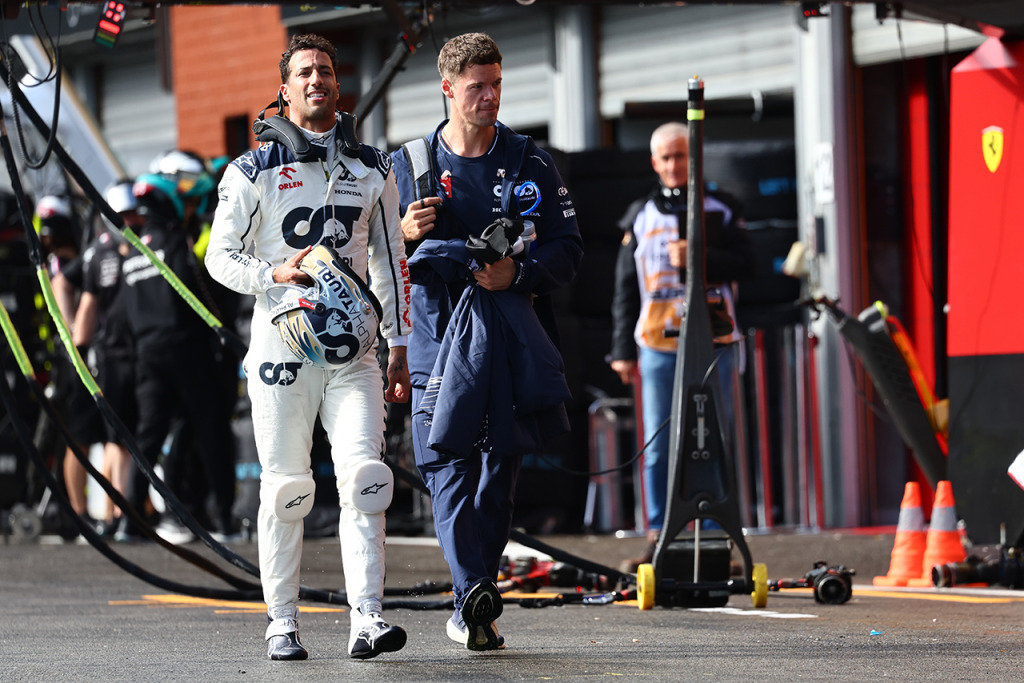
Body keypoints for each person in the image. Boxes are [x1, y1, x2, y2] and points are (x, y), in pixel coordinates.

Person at [205, 33, 411, 661]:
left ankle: (367, 619)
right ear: (285, 90)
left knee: (366, 478)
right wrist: (273, 273)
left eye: (325, 70)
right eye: (304, 72)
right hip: (281, 348)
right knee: (287, 489)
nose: (316, 78)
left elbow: (391, 260)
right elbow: (219, 257)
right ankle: (282, 622)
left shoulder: (373, 167)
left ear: (338, 85)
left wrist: (400, 344)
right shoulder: (251, 170)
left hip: (356, 354)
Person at [390, 32, 583, 652]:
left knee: (498, 475)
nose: (490, 96)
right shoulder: (408, 163)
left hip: (509, 343)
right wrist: (400, 232)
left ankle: (475, 597)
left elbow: (569, 249)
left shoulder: (530, 161)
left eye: (497, 84)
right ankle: (473, 592)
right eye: (478, 87)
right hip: (434, 343)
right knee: (446, 463)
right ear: (447, 88)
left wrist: (517, 273)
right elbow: (370, 257)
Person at [609, 122, 753, 571]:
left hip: (715, 342)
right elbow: (625, 287)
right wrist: (621, 350)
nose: (674, 165)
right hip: (657, 343)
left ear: (696, 158)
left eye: (682, 155)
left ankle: (715, 538)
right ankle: (660, 536)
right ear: (655, 162)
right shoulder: (640, 215)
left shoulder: (722, 207)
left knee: (713, 439)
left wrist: (700, 257)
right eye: (666, 157)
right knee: (657, 444)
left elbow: (749, 265)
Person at [116, 158, 237, 546]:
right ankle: (225, 519)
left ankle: (129, 521)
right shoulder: (176, 243)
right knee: (211, 431)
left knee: (148, 439)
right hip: (188, 351)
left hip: (147, 356)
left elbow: (123, 313)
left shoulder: (131, 252)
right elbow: (201, 294)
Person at [71, 181, 138, 537]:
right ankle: (117, 514)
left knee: (122, 438)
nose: (128, 220)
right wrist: (78, 348)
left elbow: (86, 306)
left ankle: (118, 513)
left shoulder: (128, 246)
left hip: (130, 353)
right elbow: (86, 304)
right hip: (116, 355)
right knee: (119, 439)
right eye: (122, 215)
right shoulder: (105, 252)